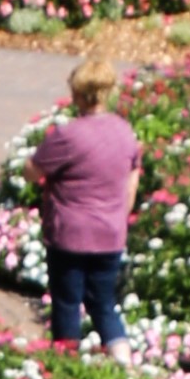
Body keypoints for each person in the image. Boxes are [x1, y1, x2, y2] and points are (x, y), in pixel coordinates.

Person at [32, 68, 142, 355]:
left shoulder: (68, 135)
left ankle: (66, 369)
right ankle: (124, 365)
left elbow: (32, 170)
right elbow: (133, 177)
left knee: (67, 302)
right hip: (110, 234)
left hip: (70, 234)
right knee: (103, 303)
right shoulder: (124, 131)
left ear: (77, 94)